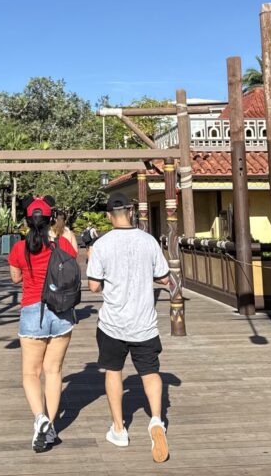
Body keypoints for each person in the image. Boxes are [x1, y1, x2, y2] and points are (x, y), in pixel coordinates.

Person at [86, 193, 171, 463]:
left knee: (114, 371)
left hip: (113, 323)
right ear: (131, 213)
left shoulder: (102, 244)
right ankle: (156, 419)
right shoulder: (149, 241)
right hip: (144, 322)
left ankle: (119, 429)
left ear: (109, 216)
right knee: (151, 372)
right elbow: (163, 277)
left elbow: (93, 286)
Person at [8, 196, 78, 452]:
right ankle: (51, 427)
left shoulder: (19, 248)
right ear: (50, 220)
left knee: (30, 373)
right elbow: (73, 260)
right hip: (61, 311)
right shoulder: (62, 244)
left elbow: (15, 278)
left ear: (27, 221)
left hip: (32, 311)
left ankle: (40, 418)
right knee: (53, 371)